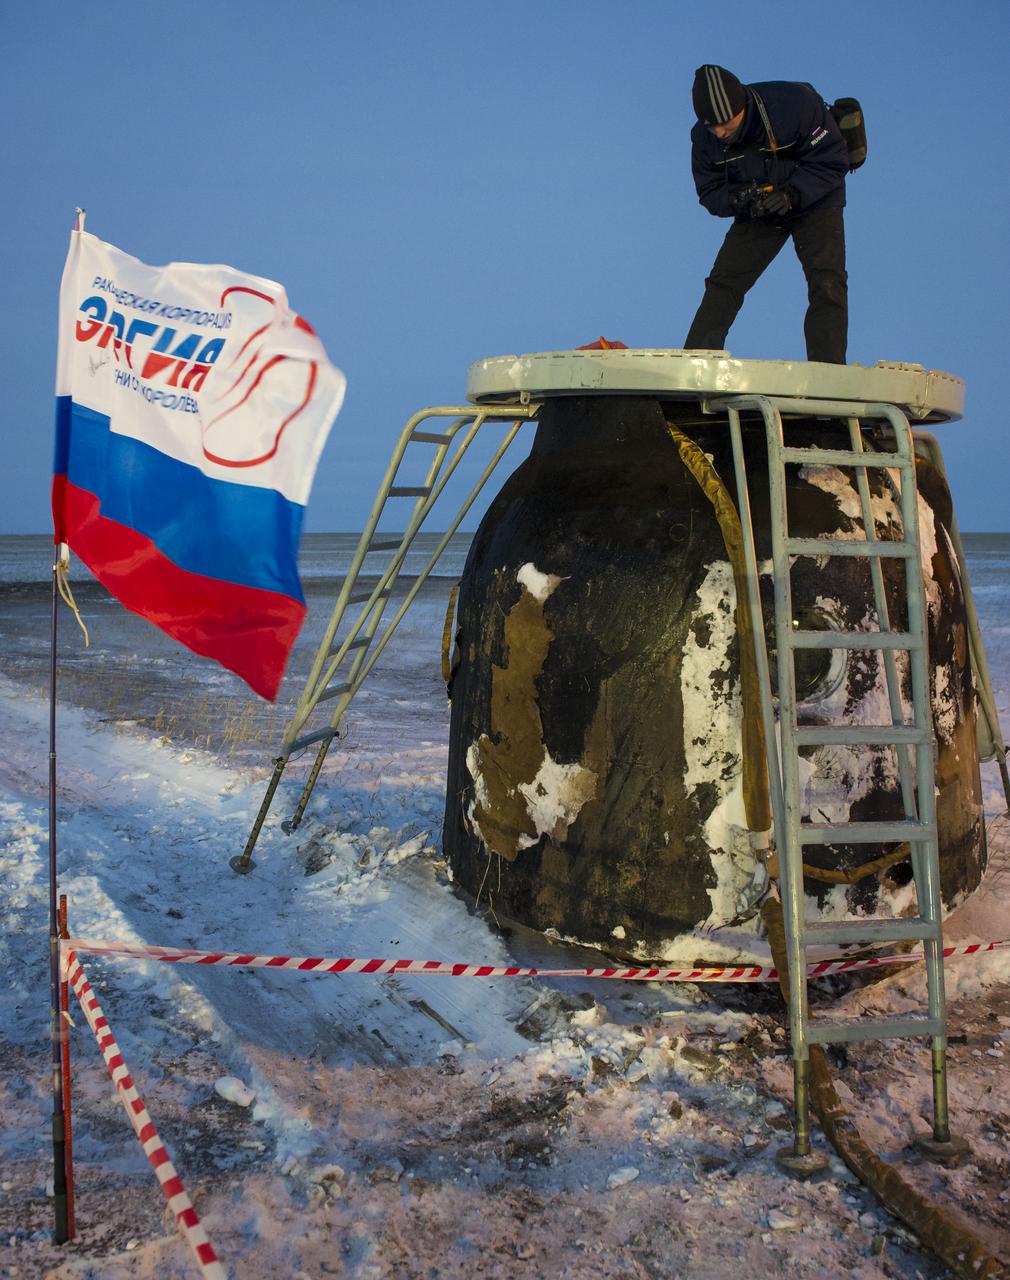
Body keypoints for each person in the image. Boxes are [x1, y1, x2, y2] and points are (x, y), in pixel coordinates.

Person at [684, 65, 850, 364]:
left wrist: (793, 194)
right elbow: (709, 192)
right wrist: (739, 200)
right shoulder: (704, 139)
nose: (720, 133)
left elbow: (832, 160)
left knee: (827, 281)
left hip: (816, 200)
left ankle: (829, 370)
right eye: (712, 127)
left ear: (743, 106)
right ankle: (696, 362)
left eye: (726, 124)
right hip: (760, 209)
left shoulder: (795, 104)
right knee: (724, 283)